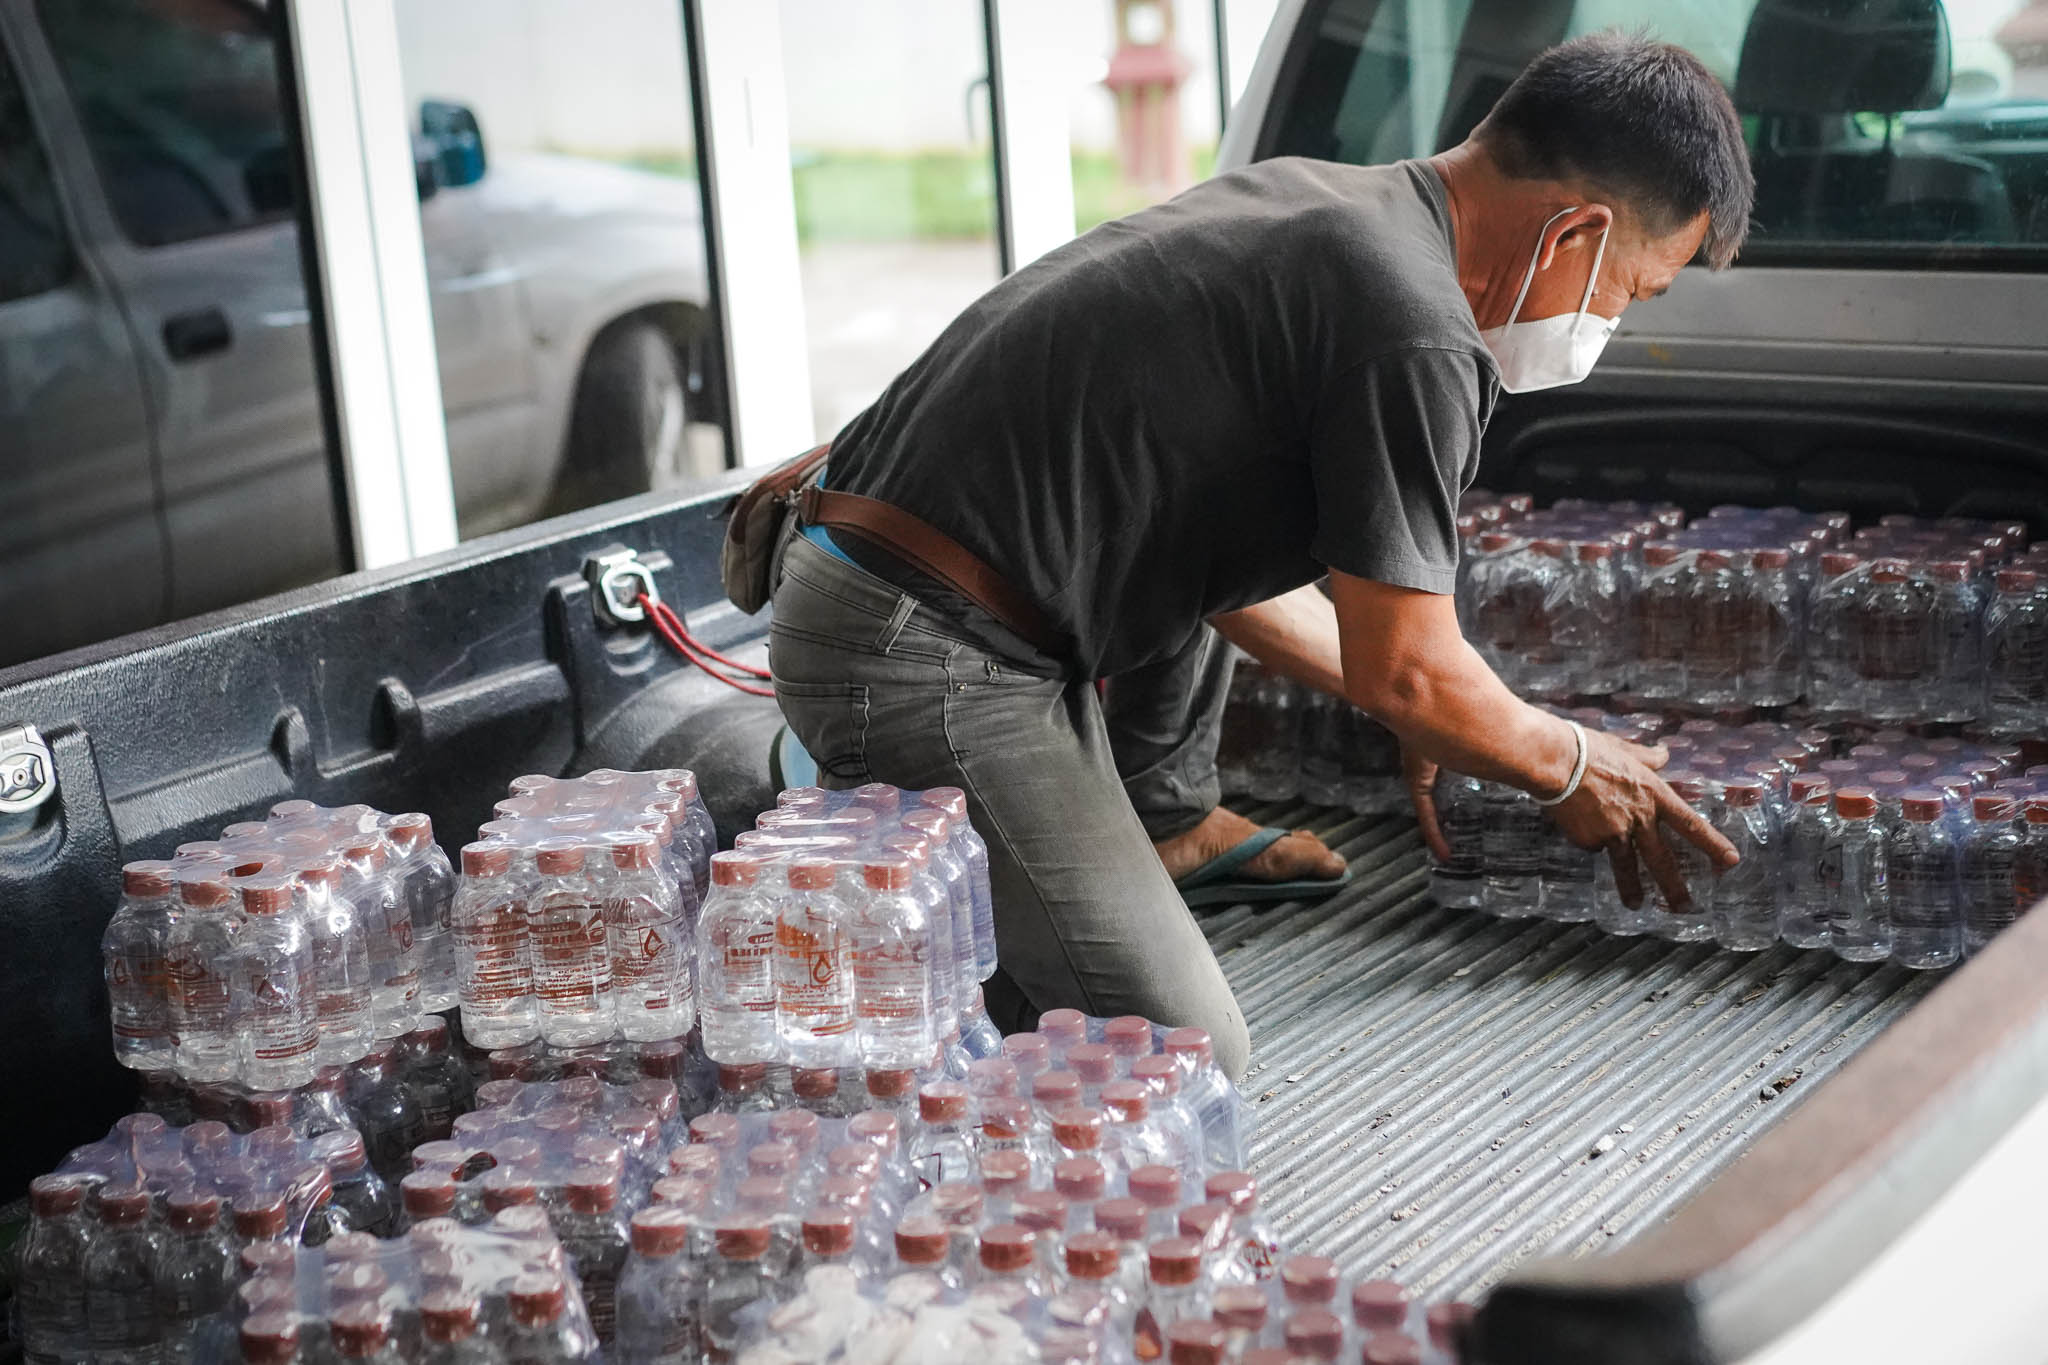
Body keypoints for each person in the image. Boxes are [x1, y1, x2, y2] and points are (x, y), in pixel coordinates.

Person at [762, 33, 1750, 1079]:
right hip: (919, 648)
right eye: (1629, 293)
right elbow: (1407, 669)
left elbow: (1296, 610)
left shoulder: (1331, 202)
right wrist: (1564, 763)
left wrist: (1455, 716)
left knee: (1243, 531)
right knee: (1178, 1056)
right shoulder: (1415, 330)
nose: (1608, 323)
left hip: (879, 580)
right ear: (1574, 232)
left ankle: (1154, 830)